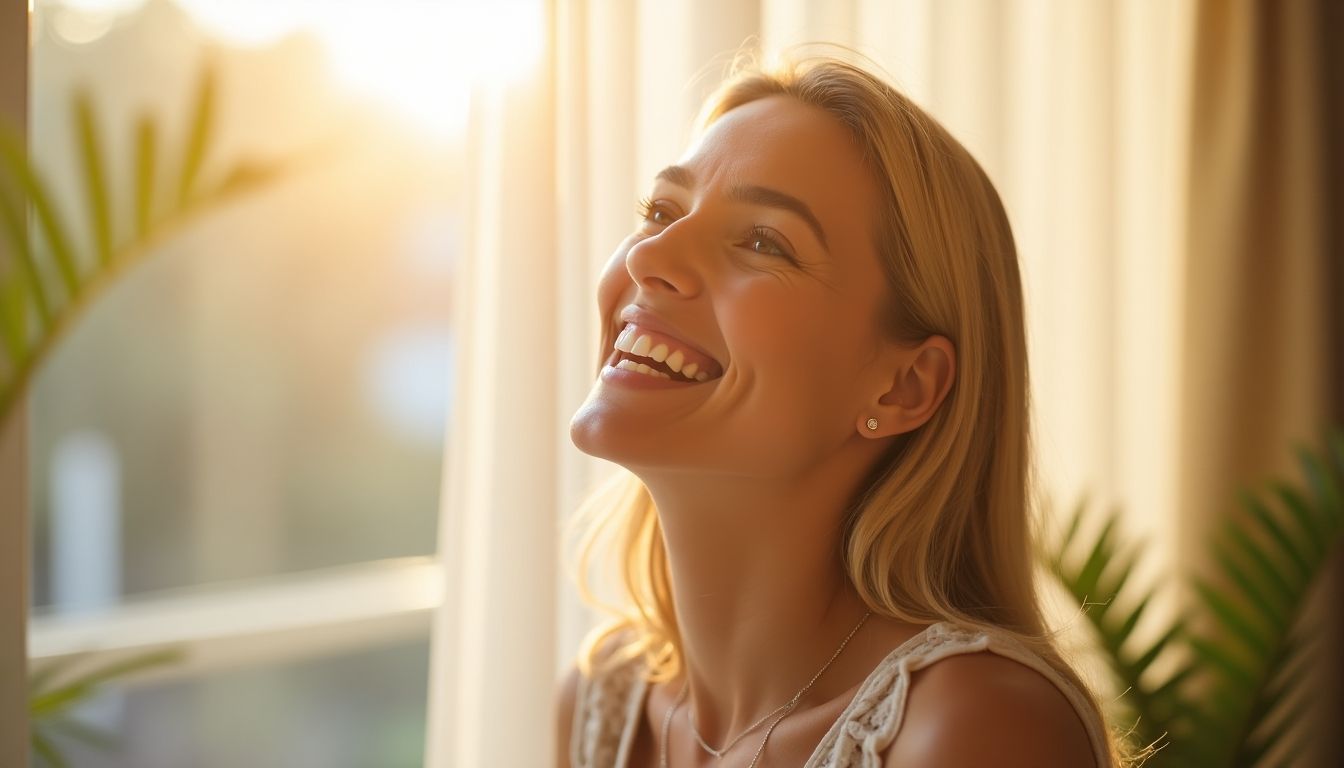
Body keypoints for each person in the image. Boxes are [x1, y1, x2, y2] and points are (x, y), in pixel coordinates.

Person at [558, 53, 1122, 767]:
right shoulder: (599, 708)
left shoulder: (974, 727)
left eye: (762, 241)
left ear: (903, 387)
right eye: (662, 210)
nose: (650, 257)